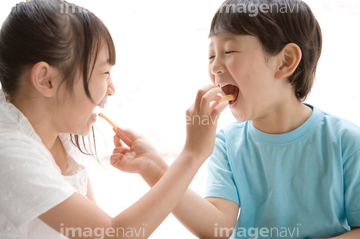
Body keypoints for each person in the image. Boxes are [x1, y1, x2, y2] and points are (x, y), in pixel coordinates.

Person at [113, 0, 360, 238]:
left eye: (229, 51)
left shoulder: (345, 141)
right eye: (211, 55)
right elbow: (216, 229)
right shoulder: (226, 144)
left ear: (285, 62)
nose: (215, 67)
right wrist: (152, 166)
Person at [0, 0, 229, 238]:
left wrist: (151, 165)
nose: (111, 89)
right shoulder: (9, 152)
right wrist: (193, 153)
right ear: (46, 80)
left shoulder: (59, 129)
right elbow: (113, 234)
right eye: (105, 73)